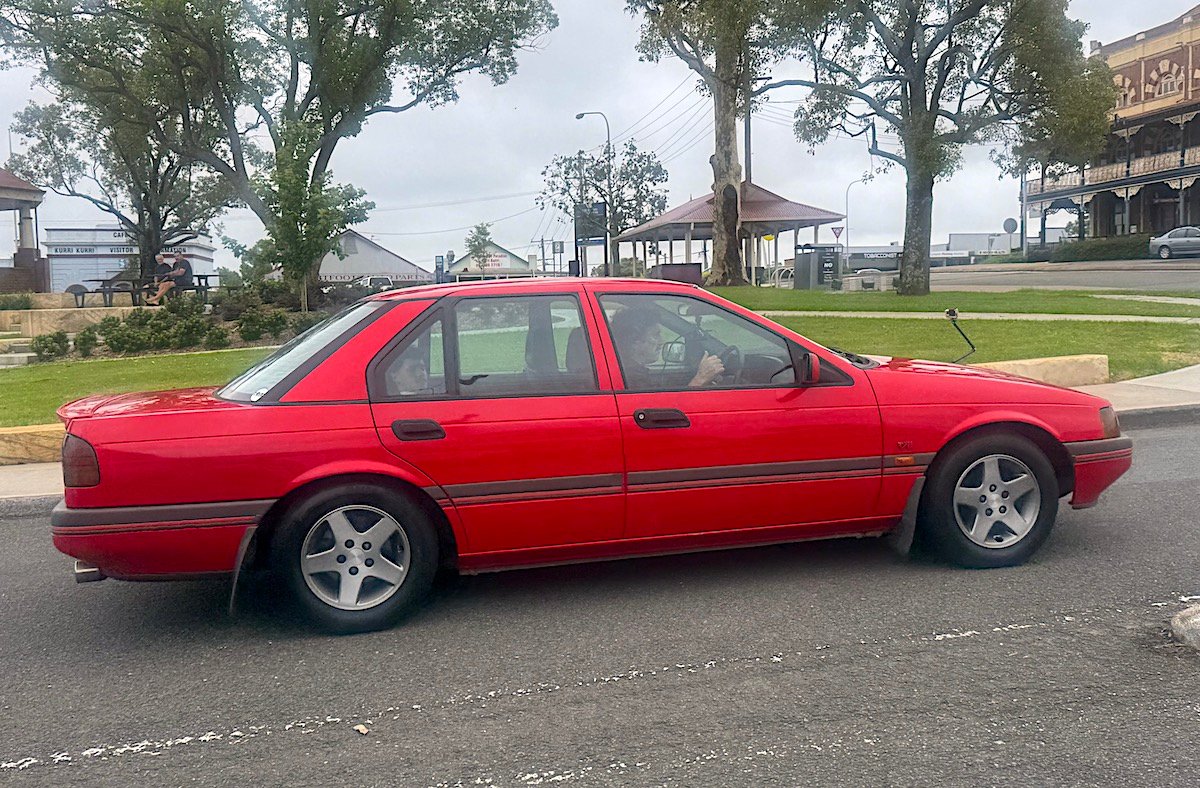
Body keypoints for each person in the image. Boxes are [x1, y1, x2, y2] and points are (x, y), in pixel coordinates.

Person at [609, 307, 724, 389]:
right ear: (635, 341)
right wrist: (701, 379)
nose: (661, 342)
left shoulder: (626, 370)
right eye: (655, 335)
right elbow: (662, 415)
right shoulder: (632, 379)